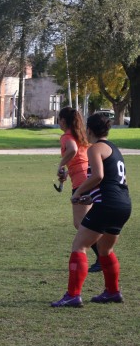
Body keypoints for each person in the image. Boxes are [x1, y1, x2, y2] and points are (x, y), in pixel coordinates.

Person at [51, 112, 131, 307]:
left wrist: (78, 192)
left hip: (108, 204)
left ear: (89, 130)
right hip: (123, 205)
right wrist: (90, 197)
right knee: (105, 249)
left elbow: (98, 176)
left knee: (79, 246)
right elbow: (111, 182)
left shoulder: (95, 148)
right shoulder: (113, 148)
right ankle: (112, 292)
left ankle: (73, 295)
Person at [56, 106, 100, 272]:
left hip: (82, 182)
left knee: (81, 223)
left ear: (64, 121)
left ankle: (102, 257)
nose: (58, 123)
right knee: (88, 221)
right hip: (88, 178)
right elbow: (80, 158)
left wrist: (60, 164)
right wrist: (68, 170)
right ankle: (102, 255)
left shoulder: (66, 136)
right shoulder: (80, 135)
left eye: (59, 119)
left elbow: (73, 150)